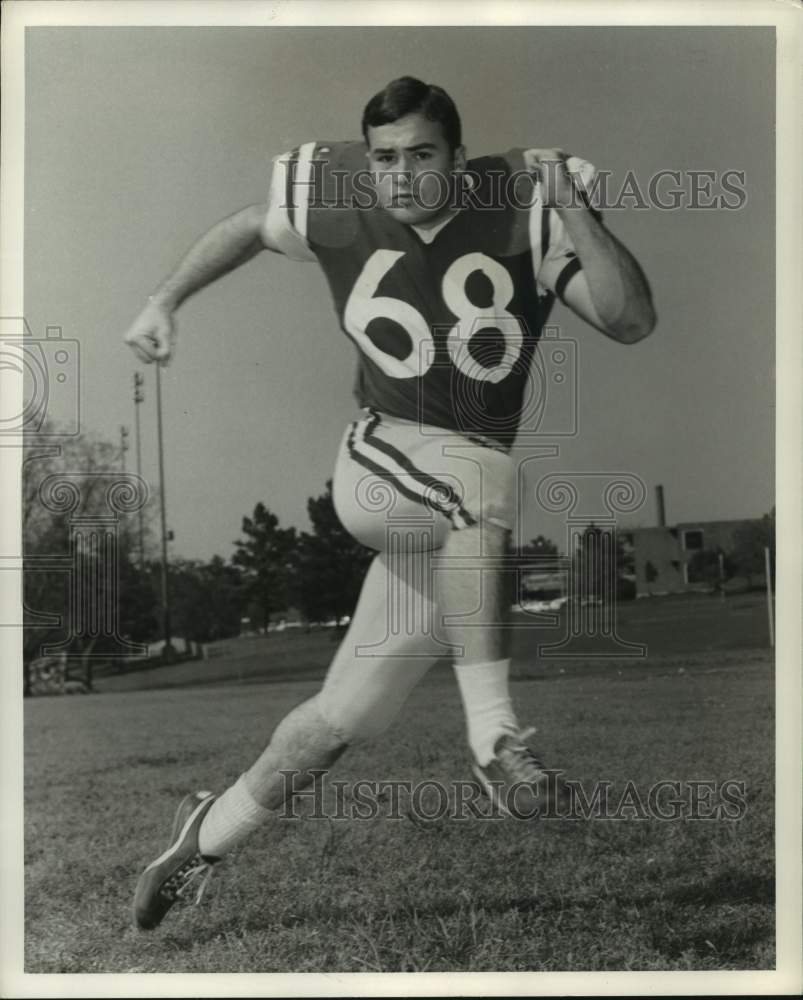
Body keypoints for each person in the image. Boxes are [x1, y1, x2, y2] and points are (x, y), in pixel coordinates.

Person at [124, 76, 655, 930]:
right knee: (485, 485)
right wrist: (163, 300)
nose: (401, 175)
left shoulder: (521, 202)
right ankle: (494, 741)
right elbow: (250, 227)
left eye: (421, 155)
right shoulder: (334, 193)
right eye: (384, 158)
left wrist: (576, 211)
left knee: (343, 719)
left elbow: (629, 319)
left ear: (457, 154)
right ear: (363, 158)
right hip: (381, 459)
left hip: (449, 505)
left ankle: (203, 840)